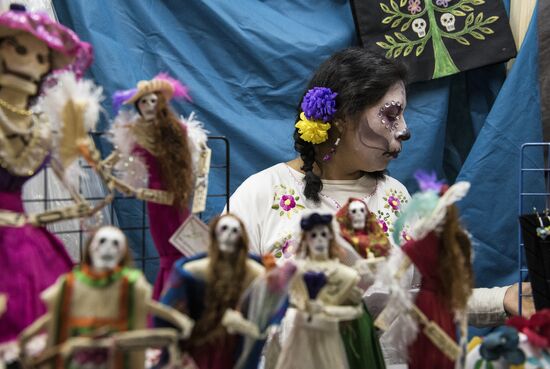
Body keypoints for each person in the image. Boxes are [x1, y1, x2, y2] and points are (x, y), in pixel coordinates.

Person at [227, 47, 534, 367]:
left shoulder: (396, 196)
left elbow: (424, 302)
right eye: (390, 114)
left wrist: (502, 299)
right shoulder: (261, 194)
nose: (405, 129)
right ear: (342, 118)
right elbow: (224, 304)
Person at [0, 3, 100, 354]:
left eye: (43, 57)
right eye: (22, 49)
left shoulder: (39, 128)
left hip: (26, 245)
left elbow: (72, 179)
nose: (33, 63)